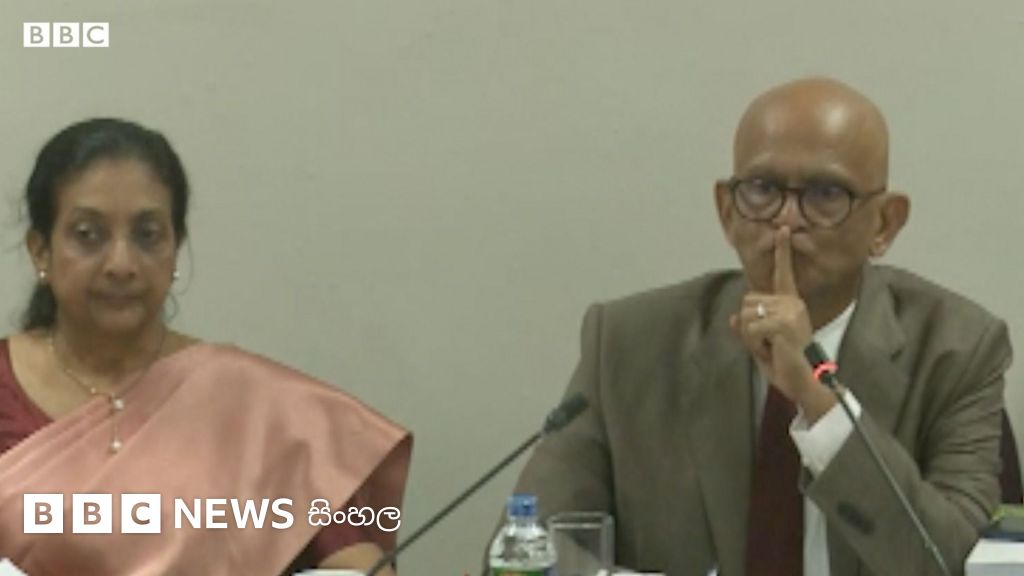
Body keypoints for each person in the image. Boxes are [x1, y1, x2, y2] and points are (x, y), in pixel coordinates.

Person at [509, 78, 1013, 575]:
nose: (787, 221)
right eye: (762, 190)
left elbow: (946, 563)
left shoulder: (958, 349)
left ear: (884, 224)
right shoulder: (628, 343)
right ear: (727, 211)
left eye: (825, 193)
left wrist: (819, 402)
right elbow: (528, 552)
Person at [0, 118, 412, 575]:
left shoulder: (256, 407)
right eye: (88, 235)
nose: (121, 263)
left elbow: (360, 565)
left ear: (176, 247)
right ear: (40, 250)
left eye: (147, 235)